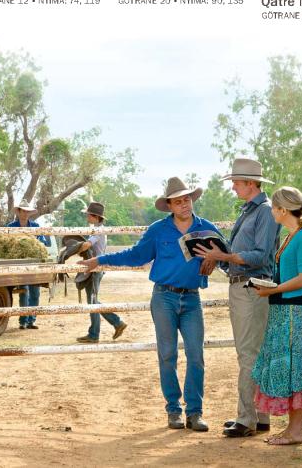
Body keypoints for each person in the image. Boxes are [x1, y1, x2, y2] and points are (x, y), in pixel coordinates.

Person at [83, 176, 222, 432]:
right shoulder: (158, 230)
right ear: (169, 205)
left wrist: (217, 258)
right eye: (178, 201)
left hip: (192, 298)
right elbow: (136, 255)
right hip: (164, 297)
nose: (184, 205)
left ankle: (195, 412)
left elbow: (225, 255)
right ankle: (173, 410)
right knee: (167, 354)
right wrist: (99, 260)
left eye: (187, 199)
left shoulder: (206, 228)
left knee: (196, 355)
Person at [194, 157, 280, 437]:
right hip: (244, 285)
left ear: (250, 183)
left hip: (251, 287)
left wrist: (225, 255)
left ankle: (246, 419)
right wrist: (217, 257)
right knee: (253, 352)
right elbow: (245, 254)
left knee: (247, 354)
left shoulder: (264, 212)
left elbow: (261, 255)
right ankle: (259, 415)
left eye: (235, 183)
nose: (232, 187)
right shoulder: (250, 211)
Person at [251, 186, 302, 445]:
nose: (271, 211)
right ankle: (292, 430)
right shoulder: (291, 236)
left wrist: (275, 289)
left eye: (273, 207)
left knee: (296, 369)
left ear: (283, 210)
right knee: (290, 368)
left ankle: (296, 432)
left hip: (294, 313)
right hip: (283, 311)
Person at [75, 202, 127, 344]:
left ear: (95, 216)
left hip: (96, 269)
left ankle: (110, 326)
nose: (86, 216)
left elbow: (87, 245)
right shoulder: (98, 229)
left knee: (92, 301)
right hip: (97, 268)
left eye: (88, 214)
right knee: (92, 300)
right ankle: (101, 329)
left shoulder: (98, 231)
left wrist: (74, 250)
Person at [7, 204, 51, 330]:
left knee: (35, 293)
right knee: (24, 292)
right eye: (23, 211)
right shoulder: (11, 227)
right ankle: (23, 321)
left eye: (27, 212)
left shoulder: (36, 227)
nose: (25, 213)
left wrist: (36, 242)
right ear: (19, 212)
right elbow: (7, 242)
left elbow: (42, 241)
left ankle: (32, 320)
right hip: (20, 262)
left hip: (34, 263)